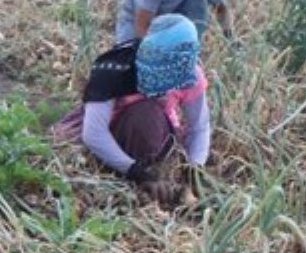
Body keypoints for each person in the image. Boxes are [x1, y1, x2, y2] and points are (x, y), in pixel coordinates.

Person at [61, 13, 210, 205]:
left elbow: (199, 126)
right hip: (115, 134)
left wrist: (195, 167)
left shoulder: (189, 73)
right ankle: (134, 174)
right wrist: (135, 171)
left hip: (160, 136)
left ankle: (154, 173)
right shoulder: (114, 69)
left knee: (150, 118)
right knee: (145, 115)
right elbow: (94, 133)